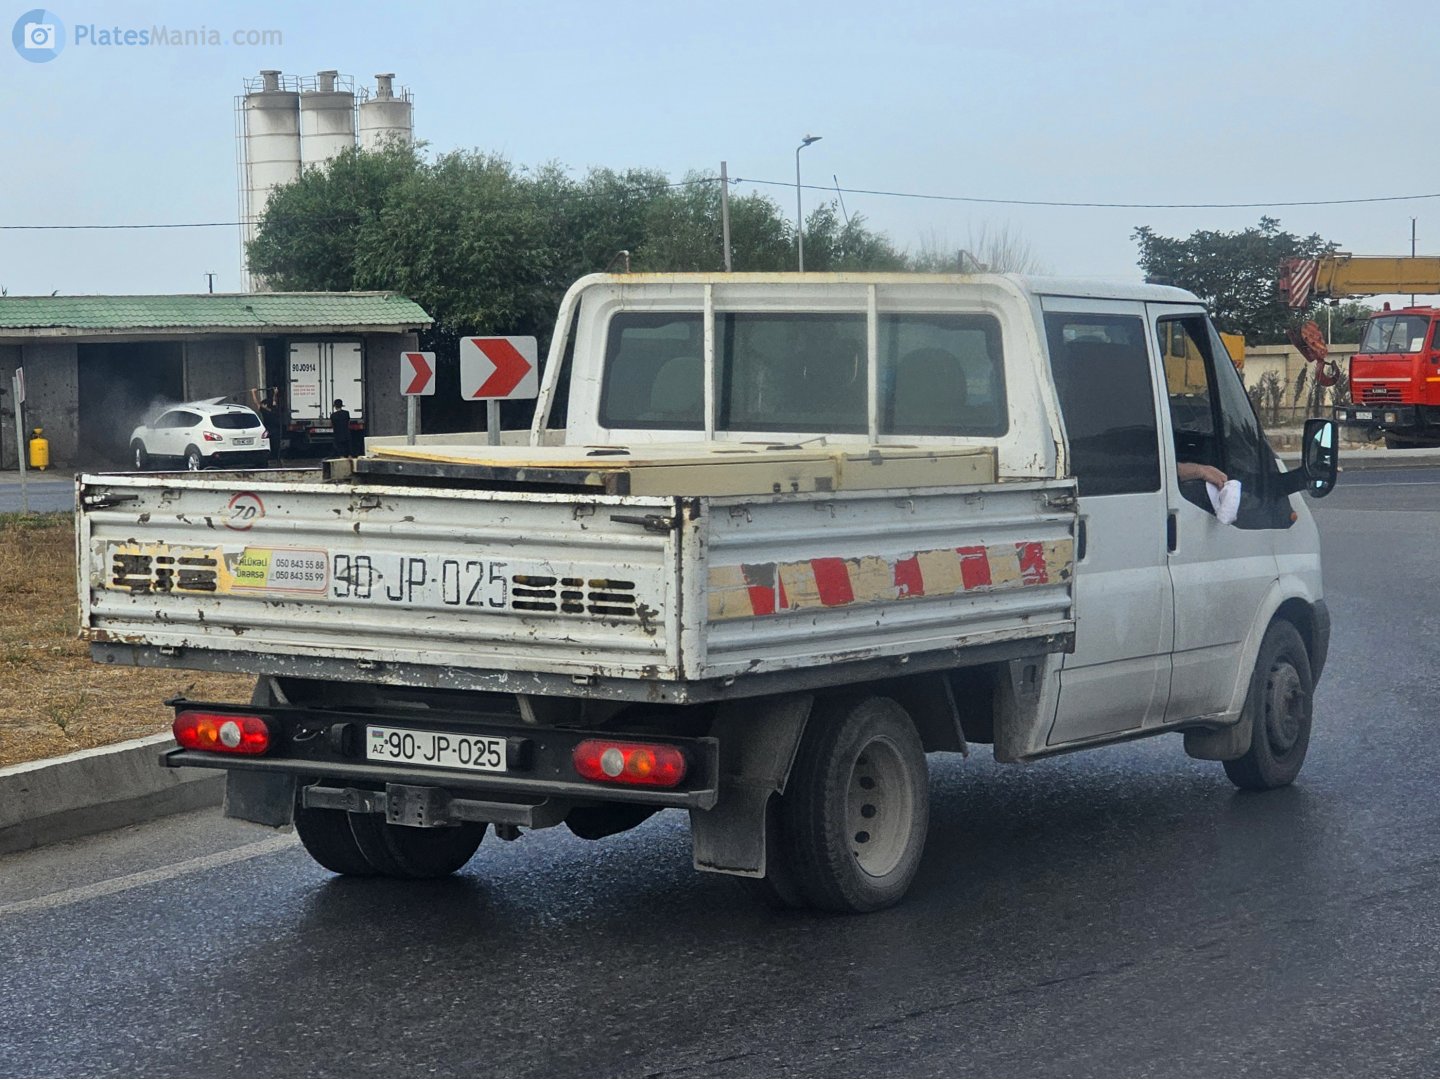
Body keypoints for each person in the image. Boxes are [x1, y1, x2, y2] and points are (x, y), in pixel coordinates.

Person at [249, 386, 283, 464]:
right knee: (270, 443)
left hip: (273, 429)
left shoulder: (270, 409)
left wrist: (253, 393)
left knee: (275, 444)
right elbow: (257, 403)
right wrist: (253, 393)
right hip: (269, 429)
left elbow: (258, 403)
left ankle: (275, 457)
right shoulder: (267, 409)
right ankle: (272, 457)